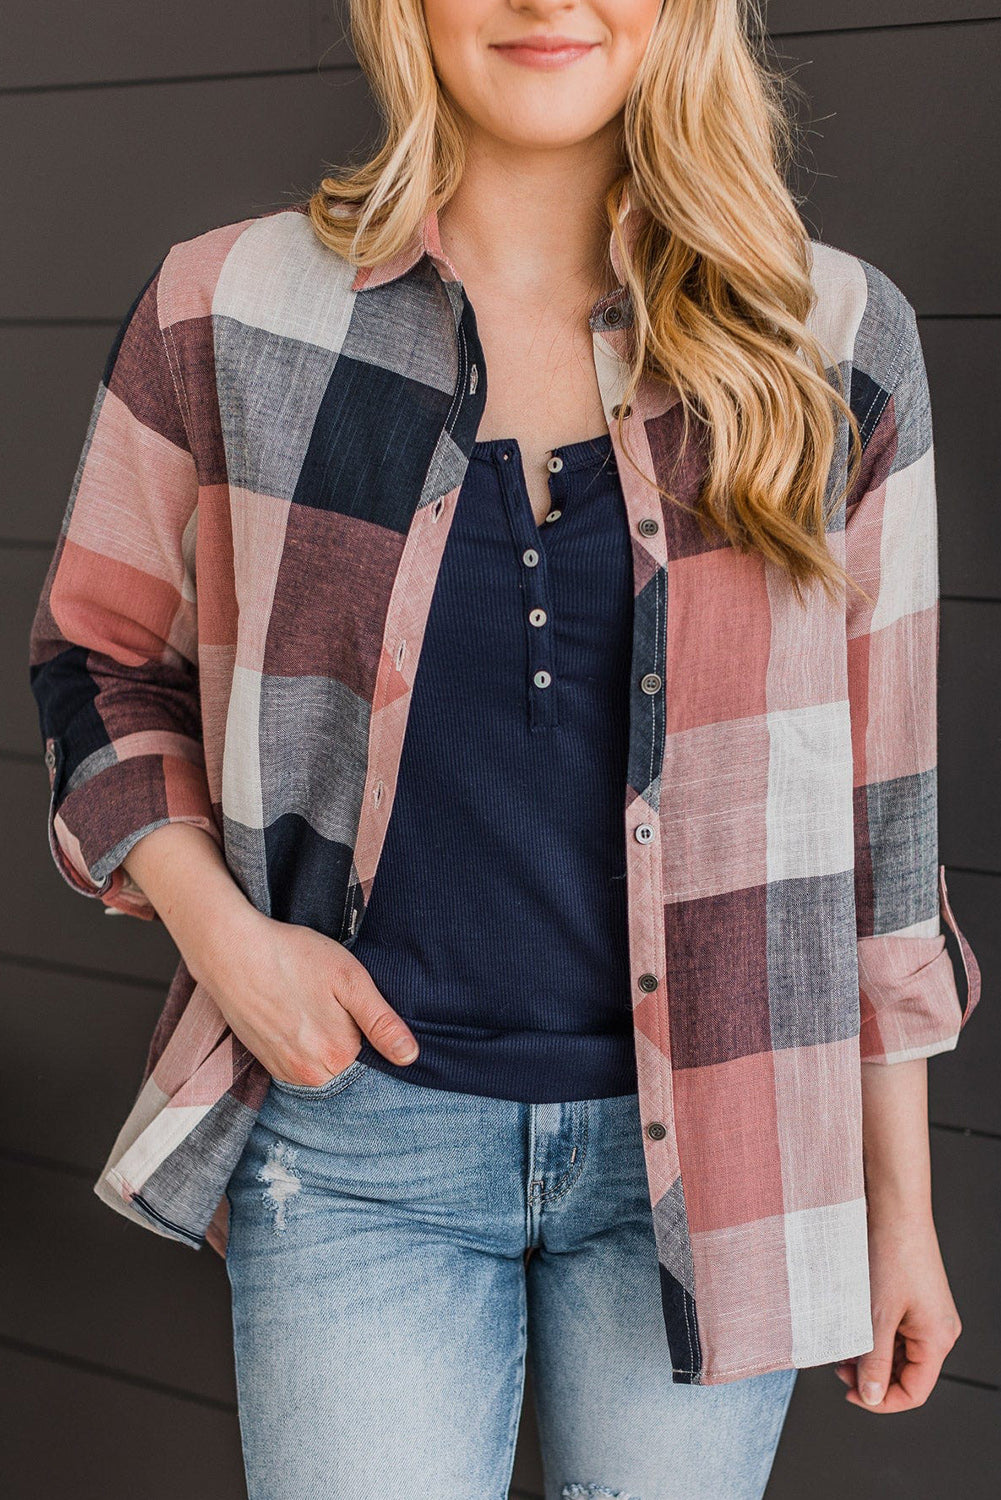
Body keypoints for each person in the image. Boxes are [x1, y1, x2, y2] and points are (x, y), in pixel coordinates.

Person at [28, 3, 982, 1498]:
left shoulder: (836, 338)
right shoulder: (226, 311)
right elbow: (96, 663)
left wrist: (898, 1206)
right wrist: (230, 944)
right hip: (356, 1152)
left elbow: (883, 814)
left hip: (728, 1154)